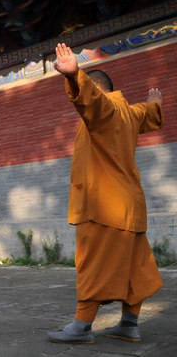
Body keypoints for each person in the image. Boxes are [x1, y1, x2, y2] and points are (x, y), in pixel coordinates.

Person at [48, 43, 164, 343]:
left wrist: (75, 76)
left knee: (93, 263)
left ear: (97, 89)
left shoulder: (105, 110)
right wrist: (154, 104)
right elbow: (147, 114)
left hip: (104, 206)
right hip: (131, 207)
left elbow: (92, 102)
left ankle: (82, 326)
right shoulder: (128, 112)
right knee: (134, 267)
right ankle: (129, 323)